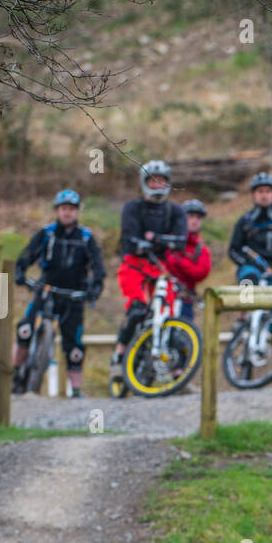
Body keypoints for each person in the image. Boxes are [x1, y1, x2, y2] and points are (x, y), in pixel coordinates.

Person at [13, 189, 104, 398]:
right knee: (24, 330)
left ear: (77, 212)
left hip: (74, 297)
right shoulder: (47, 233)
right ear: (57, 210)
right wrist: (20, 272)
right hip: (46, 291)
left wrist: (95, 288)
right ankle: (16, 374)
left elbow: (98, 267)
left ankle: (77, 390)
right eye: (64, 209)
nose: (67, 213)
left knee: (75, 347)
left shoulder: (86, 237)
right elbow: (27, 254)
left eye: (71, 209)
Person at [111, 159, 187, 383]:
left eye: (161, 180)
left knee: (170, 316)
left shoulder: (175, 211)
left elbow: (180, 242)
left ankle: (177, 374)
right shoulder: (132, 208)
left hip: (161, 269)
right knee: (137, 311)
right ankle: (119, 356)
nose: (157, 184)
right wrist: (162, 241)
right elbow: (130, 239)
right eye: (152, 181)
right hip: (134, 266)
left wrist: (155, 239)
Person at [228, 171, 272, 370]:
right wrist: (245, 263)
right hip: (252, 268)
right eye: (260, 191)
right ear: (253, 194)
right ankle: (242, 316)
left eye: (267, 191)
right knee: (247, 277)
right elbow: (233, 249)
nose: (264, 195)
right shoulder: (245, 221)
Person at [168, 198, 212, 320]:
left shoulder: (201, 249)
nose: (194, 221)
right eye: (190, 216)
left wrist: (179, 261)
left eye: (198, 217)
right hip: (164, 297)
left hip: (185, 299)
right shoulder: (169, 239)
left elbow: (201, 272)